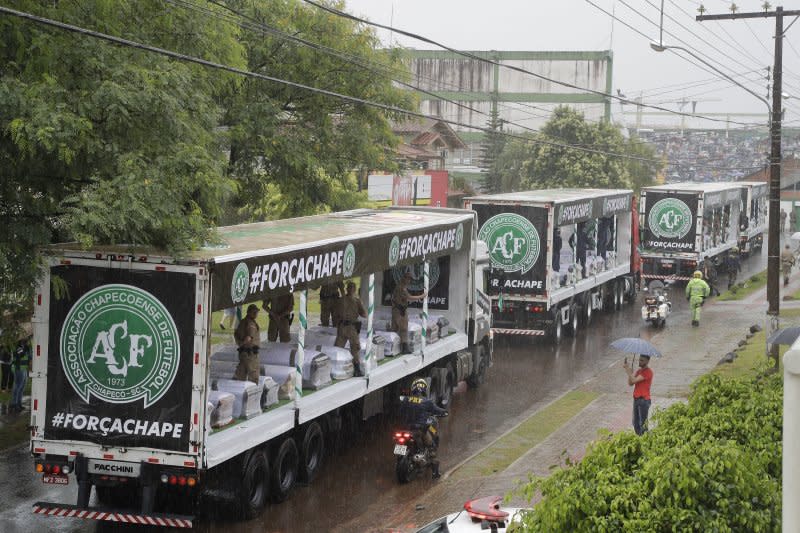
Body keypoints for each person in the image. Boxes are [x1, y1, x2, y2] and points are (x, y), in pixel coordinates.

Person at [398, 378, 448, 479]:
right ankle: (435, 473)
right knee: (431, 447)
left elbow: (400, 412)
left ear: (413, 388)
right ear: (424, 389)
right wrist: (445, 411)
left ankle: (403, 457)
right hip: (419, 430)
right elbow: (437, 410)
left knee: (400, 445)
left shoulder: (406, 399)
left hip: (406, 429)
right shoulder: (427, 402)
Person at [334, 281, 367, 375]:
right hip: (351, 327)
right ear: (354, 290)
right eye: (351, 288)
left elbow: (335, 314)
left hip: (342, 327)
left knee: (339, 348)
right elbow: (364, 314)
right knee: (354, 348)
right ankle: (356, 369)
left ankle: (337, 368)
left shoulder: (340, 300)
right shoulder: (356, 301)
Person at [392, 272, 427, 354]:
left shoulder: (400, 287)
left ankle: (398, 348)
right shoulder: (401, 288)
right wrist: (422, 296)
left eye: (410, 279)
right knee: (403, 329)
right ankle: (404, 348)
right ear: (405, 279)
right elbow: (409, 297)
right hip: (400, 310)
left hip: (398, 309)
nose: (409, 281)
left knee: (397, 328)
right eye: (409, 279)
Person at [623, 354, 653, 436]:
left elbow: (635, 380)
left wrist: (628, 371)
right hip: (636, 399)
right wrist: (630, 374)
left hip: (643, 400)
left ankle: (644, 440)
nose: (640, 362)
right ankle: (639, 439)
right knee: (635, 423)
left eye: (642, 360)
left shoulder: (648, 372)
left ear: (647, 361)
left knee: (642, 424)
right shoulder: (639, 371)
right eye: (639, 360)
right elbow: (630, 383)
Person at [233, 304, 261, 383]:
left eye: (256, 312)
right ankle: (254, 393)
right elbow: (249, 338)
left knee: (241, 374)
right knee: (254, 376)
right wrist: (242, 343)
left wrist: (240, 344)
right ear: (249, 312)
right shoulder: (251, 323)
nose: (256, 314)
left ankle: (237, 390)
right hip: (251, 354)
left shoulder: (242, 321)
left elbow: (235, 334)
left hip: (243, 353)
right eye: (254, 312)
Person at [10, 335, 31, 412]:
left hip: (24, 368)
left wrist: (27, 348)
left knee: (22, 387)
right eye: (26, 337)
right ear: (21, 338)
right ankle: (14, 404)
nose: (27, 338)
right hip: (18, 368)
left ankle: (19, 403)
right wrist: (26, 348)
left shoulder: (25, 346)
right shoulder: (17, 346)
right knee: (18, 386)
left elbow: (29, 356)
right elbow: (21, 354)